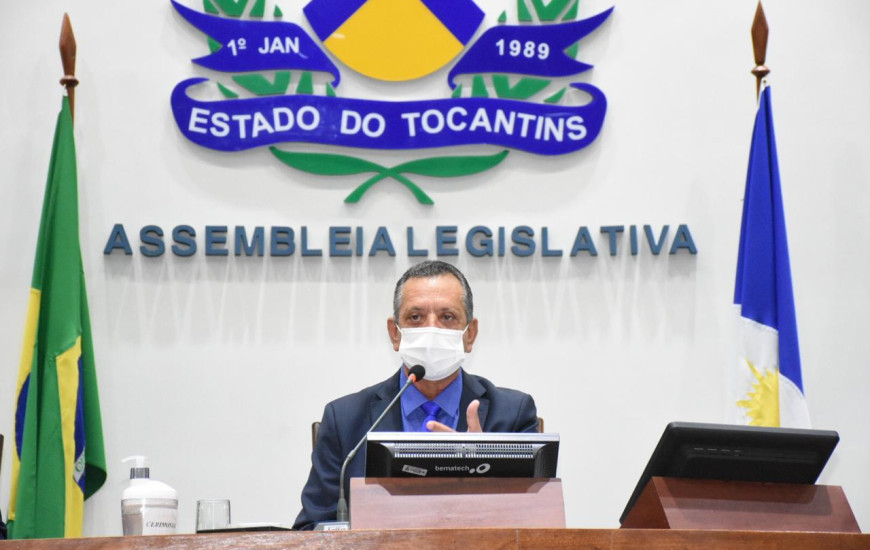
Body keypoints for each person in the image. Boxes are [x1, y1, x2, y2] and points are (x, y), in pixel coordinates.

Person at [293, 260, 539, 530]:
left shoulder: (512, 415)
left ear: (470, 335)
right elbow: (310, 531)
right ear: (394, 333)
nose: (430, 329)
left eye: (447, 317)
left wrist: (480, 470)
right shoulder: (345, 420)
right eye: (415, 317)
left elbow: (536, 528)